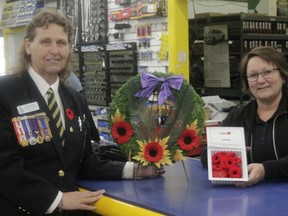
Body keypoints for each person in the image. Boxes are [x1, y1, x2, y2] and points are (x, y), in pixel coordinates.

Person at [0, 9, 163, 216]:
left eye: (61, 43)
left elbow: (84, 162)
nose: (55, 50)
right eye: (46, 42)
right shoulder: (5, 93)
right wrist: (56, 199)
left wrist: (134, 170)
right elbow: (4, 164)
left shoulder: (75, 100)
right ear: (28, 46)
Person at [201, 46, 288, 187]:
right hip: (247, 200)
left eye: (267, 72)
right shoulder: (237, 116)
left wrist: (265, 170)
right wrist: (229, 153)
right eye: (253, 75)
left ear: (283, 76)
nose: (260, 80)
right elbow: (206, 155)